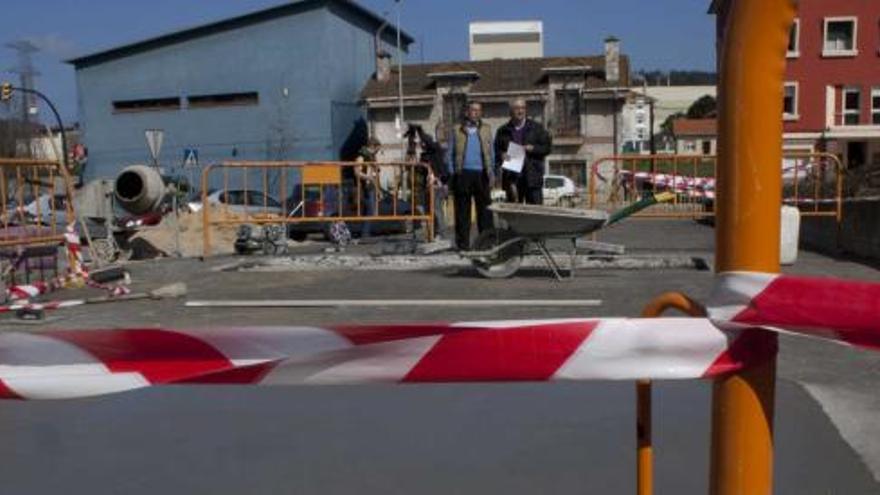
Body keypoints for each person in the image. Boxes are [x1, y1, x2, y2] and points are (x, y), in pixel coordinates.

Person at [447, 101, 494, 251]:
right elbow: (449, 155)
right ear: (467, 112)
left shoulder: (487, 129)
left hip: (482, 174)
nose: (476, 113)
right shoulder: (457, 130)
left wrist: (491, 172)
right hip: (463, 174)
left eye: (479, 110)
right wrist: (452, 172)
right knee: (462, 213)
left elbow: (491, 153)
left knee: (485, 213)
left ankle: (486, 244)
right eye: (473, 110)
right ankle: (463, 245)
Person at [494, 98, 552, 205]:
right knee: (513, 214)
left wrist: (533, 148)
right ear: (511, 111)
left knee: (536, 212)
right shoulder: (502, 131)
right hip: (512, 178)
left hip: (532, 177)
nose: (520, 111)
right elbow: (496, 152)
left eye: (523, 108)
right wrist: (501, 155)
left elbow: (547, 148)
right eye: (517, 108)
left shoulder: (536, 128)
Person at [354, 137, 382, 238]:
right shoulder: (362, 155)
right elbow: (357, 172)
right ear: (372, 146)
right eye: (377, 149)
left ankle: (365, 232)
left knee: (369, 209)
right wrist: (368, 176)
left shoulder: (371, 156)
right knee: (370, 209)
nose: (378, 151)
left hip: (371, 185)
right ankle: (365, 233)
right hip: (365, 186)